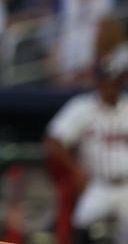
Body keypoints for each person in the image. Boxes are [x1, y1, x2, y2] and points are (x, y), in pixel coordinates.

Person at [45, 44, 128, 243]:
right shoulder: (83, 107)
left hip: (126, 186)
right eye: (105, 80)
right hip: (97, 184)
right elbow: (53, 141)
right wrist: (76, 171)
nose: (108, 85)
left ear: (121, 80)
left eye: (113, 80)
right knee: (81, 224)